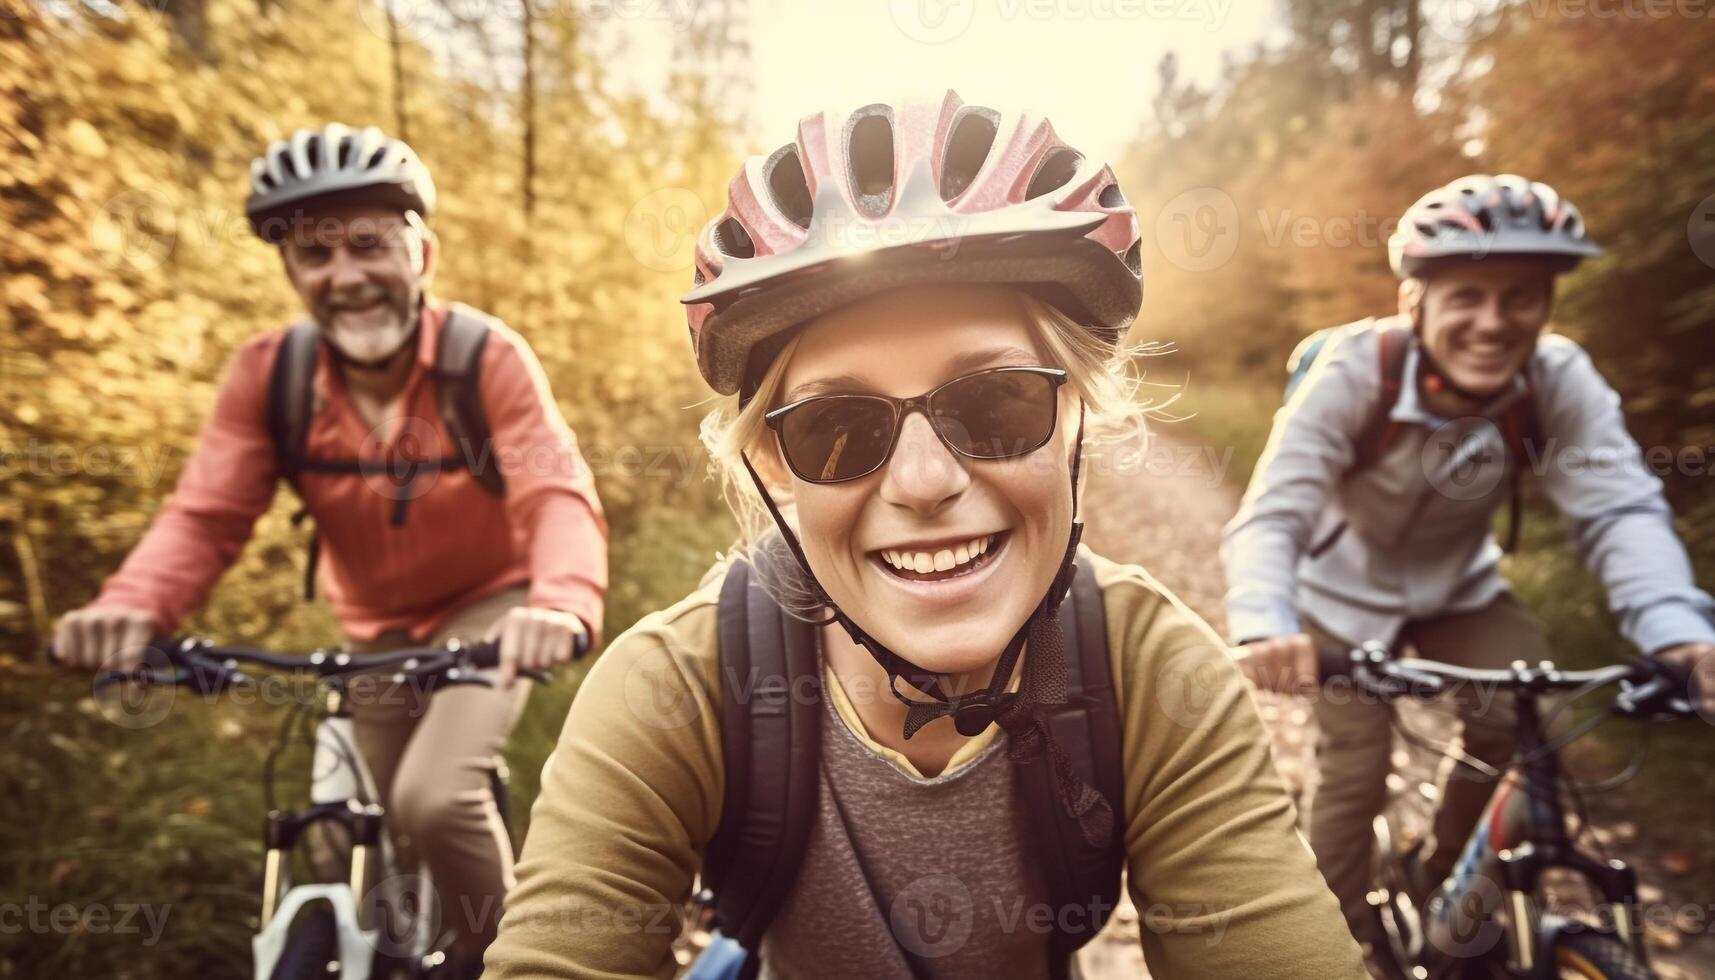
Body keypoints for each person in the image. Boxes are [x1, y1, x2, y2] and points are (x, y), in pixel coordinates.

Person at [485, 92, 1366, 978]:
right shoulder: (676, 688)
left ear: (1076, 419)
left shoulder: (1148, 670)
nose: (922, 482)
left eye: (995, 403)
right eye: (836, 428)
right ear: (772, 463)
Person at [52, 123, 608, 974]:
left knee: (433, 798)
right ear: (291, 273)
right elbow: (205, 516)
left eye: (368, 244)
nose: (345, 276)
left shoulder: (483, 357)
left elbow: (553, 490)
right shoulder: (268, 377)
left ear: (420, 252)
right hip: (375, 629)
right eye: (315, 255)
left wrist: (561, 601)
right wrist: (132, 607)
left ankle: (508, 961)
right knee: (370, 820)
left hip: (493, 608)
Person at [1222, 173, 1715, 945]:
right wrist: (1264, 624)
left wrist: (1676, 632)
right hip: (1338, 597)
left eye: (1519, 296)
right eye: (1465, 296)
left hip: (1459, 590)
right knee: (1354, 770)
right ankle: (1336, 947)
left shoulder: (1555, 379)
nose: (1492, 322)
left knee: (1531, 733)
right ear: (1412, 303)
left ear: (1544, 306)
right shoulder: (1356, 371)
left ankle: (1441, 879)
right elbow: (1272, 515)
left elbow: (1617, 508)